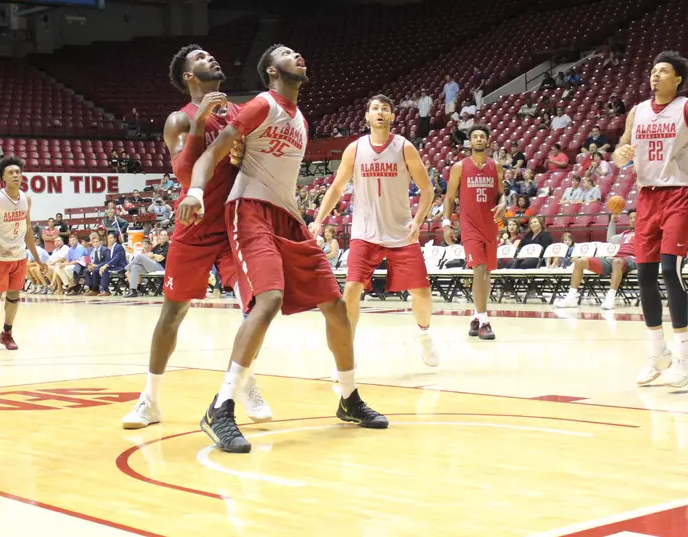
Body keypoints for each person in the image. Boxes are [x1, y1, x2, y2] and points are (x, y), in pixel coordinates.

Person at [178, 44, 387, 454]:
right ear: (272, 71)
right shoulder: (260, 104)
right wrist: (197, 193)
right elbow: (213, 152)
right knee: (268, 300)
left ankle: (349, 398)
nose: (300, 56)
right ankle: (220, 408)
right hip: (250, 211)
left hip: (288, 216)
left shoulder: (302, 118)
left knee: (335, 308)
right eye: (289, 54)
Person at [121, 44, 271, 430]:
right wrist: (202, 122)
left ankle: (246, 384)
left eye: (211, 55)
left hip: (238, 221)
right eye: (201, 59)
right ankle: (149, 400)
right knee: (173, 313)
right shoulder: (179, 119)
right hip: (195, 226)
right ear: (189, 77)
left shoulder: (240, 114)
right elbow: (186, 176)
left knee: (253, 308)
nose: (212, 59)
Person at [612, 51, 688, 387]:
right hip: (647, 197)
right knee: (644, 274)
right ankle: (658, 352)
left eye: (663, 71)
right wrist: (620, 154)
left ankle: (684, 356)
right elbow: (622, 150)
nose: (655, 75)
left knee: (669, 269)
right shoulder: (636, 112)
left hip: (681, 195)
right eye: (653, 70)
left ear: (678, 79)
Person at [310, 94, 438, 367]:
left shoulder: (405, 147)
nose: (380, 113)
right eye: (375, 109)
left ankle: (424, 336)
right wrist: (319, 220)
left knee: (422, 294)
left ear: (392, 116)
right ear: (367, 117)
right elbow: (335, 188)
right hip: (364, 232)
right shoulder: (355, 149)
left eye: (385, 109)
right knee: (351, 290)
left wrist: (417, 221)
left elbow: (428, 189)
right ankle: (347, 354)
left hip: (401, 232)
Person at [442, 124, 507, 340]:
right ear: (470, 142)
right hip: (469, 226)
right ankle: (484, 321)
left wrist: (504, 203)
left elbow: (501, 195)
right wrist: (446, 223)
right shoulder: (460, 167)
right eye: (475, 136)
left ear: (487, 141)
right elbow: (449, 198)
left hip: (490, 225)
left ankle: (476, 316)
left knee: (486, 274)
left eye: (482, 136)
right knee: (478, 269)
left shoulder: (496, 166)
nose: (479, 139)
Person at [0, 156, 46, 351]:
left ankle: (7, 333)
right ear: (3, 178)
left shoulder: (27, 199)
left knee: (14, 294)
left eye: (18, 172)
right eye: (11, 173)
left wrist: (37, 258)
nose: (16, 175)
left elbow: (28, 230)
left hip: (19, 255)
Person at [556, 210, 637, 310]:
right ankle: (571, 297)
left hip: (633, 259)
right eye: (631, 218)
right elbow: (610, 239)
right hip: (617, 258)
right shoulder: (625, 233)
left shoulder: (646, 231)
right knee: (580, 261)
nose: (633, 220)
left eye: (636, 217)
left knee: (617, 262)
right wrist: (612, 221)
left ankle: (610, 298)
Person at [124, 229, 168, 298]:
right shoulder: (157, 246)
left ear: (167, 237)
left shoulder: (168, 246)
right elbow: (149, 256)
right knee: (134, 267)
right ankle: (133, 290)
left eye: (165, 235)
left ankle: (126, 269)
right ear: (159, 236)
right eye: (162, 235)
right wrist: (153, 257)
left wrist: (153, 256)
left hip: (161, 267)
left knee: (140, 256)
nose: (163, 237)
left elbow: (160, 258)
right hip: (152, 266)